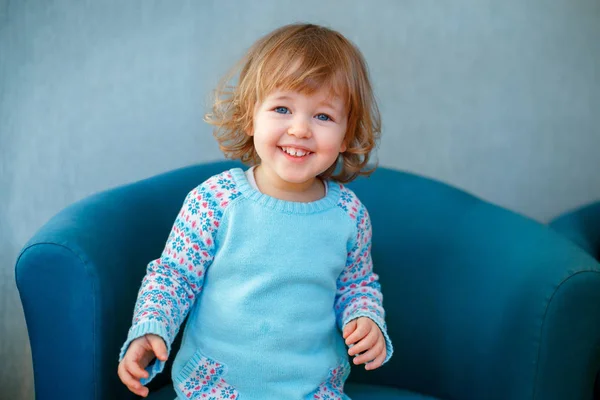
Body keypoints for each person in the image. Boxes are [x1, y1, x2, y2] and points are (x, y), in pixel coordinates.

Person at [118, 22, 393, 400]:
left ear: (346, 135)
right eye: (282, 108)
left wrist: (365, 318)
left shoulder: (349, 214)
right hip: (216, 389)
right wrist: (153, 328)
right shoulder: (215, 201)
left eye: (323, 116)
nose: (299, 129)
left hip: (313, 390)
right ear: (251, 117)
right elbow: (175, 276)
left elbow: (356, 284)